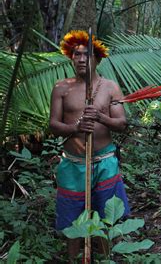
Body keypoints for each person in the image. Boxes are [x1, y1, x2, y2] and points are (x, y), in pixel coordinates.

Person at [49, 30, 130, 261]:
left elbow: (122, 124)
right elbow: (53, 125)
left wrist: (101, 117)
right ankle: (74, 259)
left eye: (87, 55)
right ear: (71, 57)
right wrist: (76, 127)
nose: (81, 59)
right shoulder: (61, 87)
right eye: (77, 54)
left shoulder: (110, 87)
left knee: (106, 216)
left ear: (97, 59)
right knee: (72, 220)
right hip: (73, 165)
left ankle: (105, 258)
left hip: (104, 163)